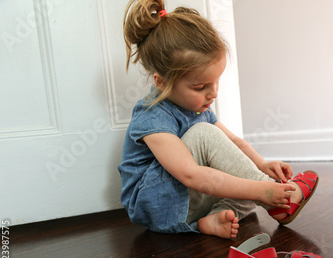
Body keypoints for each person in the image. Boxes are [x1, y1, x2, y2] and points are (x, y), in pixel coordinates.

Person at [118, 0, 319, 239]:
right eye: (201, 86)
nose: (213, 93)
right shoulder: (152, 115)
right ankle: (279, 201)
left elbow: (234, 142)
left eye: (216, 82)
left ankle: (215, 217)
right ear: (161, 82)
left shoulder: (196, 106)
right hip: (157, 205)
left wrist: (260, 165)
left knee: (242, 180)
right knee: (206, 137)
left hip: (189, 199)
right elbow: (190, 175)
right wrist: (263, 187)